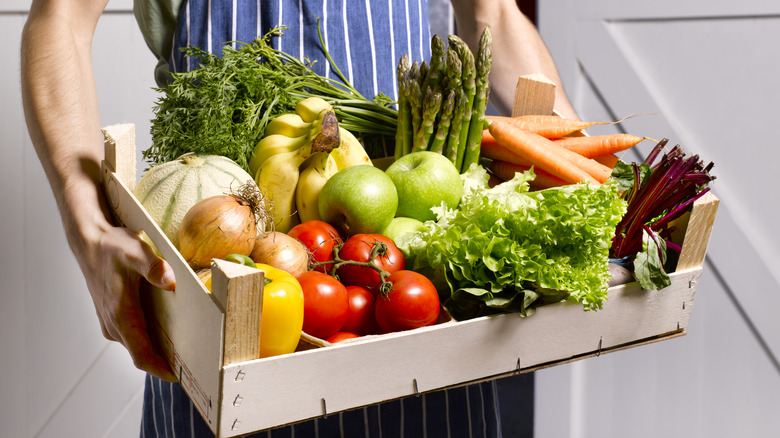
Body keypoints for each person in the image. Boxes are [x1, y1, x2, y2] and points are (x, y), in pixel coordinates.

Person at [21, 0, 576, 436]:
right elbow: (62, 18)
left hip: (402, 298)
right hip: (217, 296)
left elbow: (494, 13)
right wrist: (85, 223)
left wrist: (576, 158)